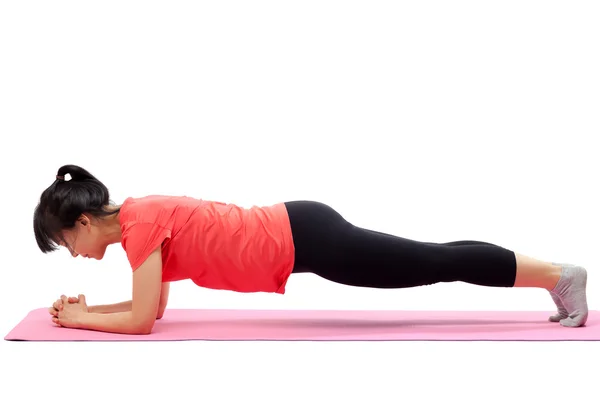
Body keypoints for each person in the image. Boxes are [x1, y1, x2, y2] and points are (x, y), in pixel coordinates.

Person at [36, 165, 588, 335]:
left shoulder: (140, 226)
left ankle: (560, 275)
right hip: (303, 230)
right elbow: (151, 308)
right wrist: (88, 312)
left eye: (67, 242)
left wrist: (82, 317)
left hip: (307, 238)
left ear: (83, 222)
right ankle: (556, 277)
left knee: (432, 262)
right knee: (431, 258)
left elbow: (139, 324)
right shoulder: (139, 220)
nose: (75, 253)